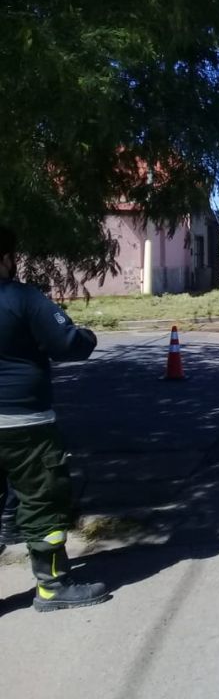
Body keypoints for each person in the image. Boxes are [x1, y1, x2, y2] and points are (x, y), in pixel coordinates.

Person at [0, 226, 107, 611]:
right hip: (23, 425)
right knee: (42, 500)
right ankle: (51, 587)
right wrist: (86, 337)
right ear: (7, 258)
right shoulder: (20, 297)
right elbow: (67, 344)